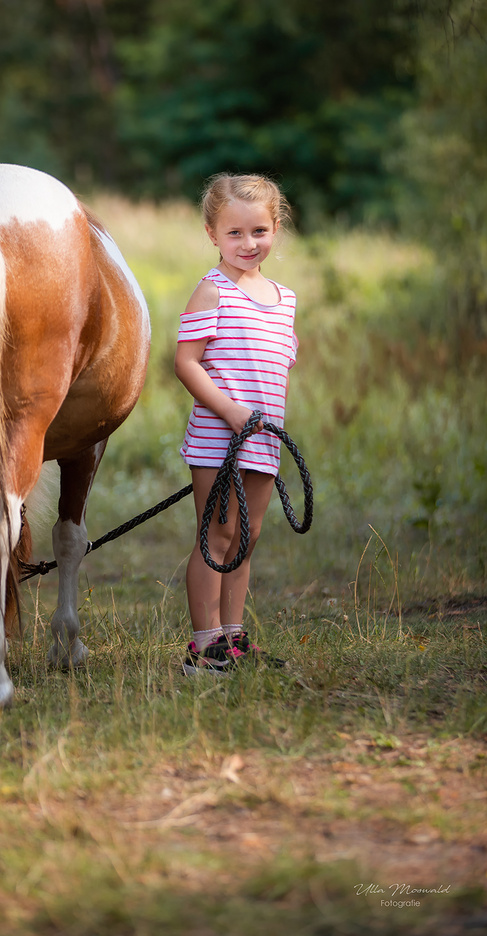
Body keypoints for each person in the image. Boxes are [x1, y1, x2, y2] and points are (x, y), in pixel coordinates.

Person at [174, 173, 297, 675]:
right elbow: (186, 362)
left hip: (263, 439)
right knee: (217, 536)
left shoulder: (284, 298)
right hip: (218, 439)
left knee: (247, 536)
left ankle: (233, 636)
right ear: (212, 234)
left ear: (276, 228)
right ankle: (203, 647)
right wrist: (228, 409)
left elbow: (275, 360)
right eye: (234, 234)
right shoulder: (213, 291)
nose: (248, 244)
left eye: (259, 231)